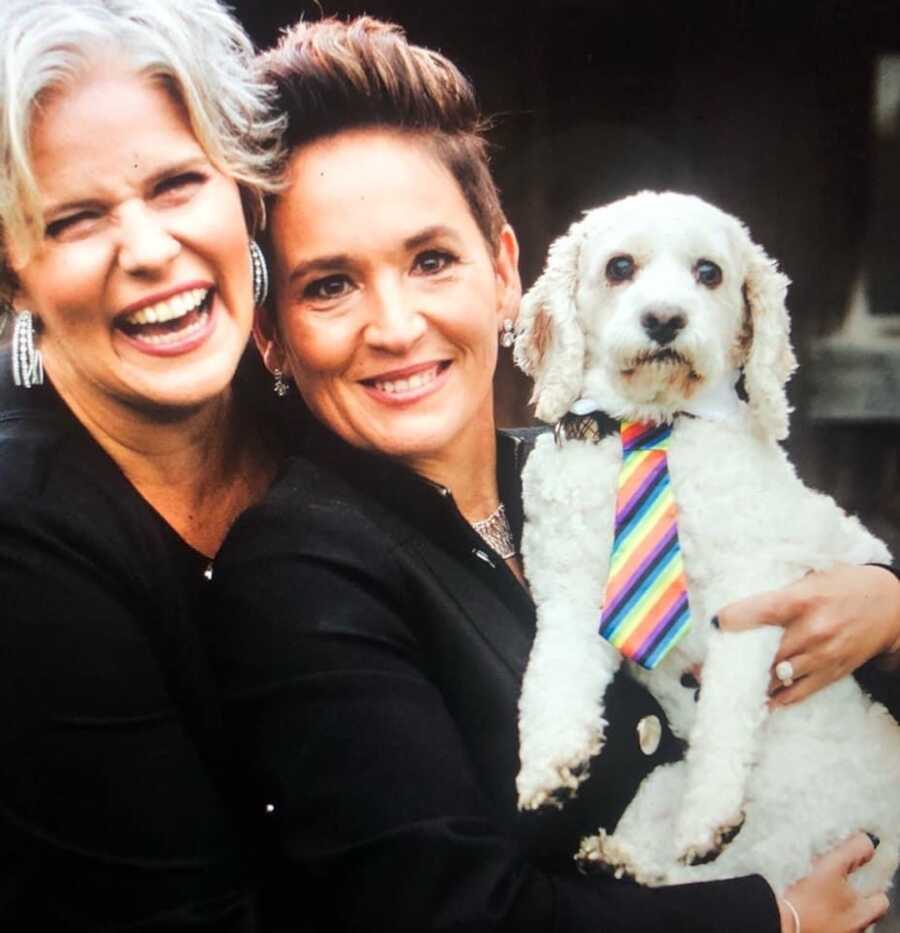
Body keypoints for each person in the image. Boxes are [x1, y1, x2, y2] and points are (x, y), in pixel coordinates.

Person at [208, 15, 900, 933]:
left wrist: (885, 607)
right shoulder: (300, 569)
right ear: (273, 336)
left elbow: (780, 590)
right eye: (329, 284)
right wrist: (773, 919)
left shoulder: (591, 468)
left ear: (502, 273)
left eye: (431, 260)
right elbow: (447, 911)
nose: (397, 324)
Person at [0, 0, 285, 926]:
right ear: (14, 277)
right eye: (75, 219)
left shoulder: (324, 424)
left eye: (175, 184)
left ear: (242, 189)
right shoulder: (21, 541)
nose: (150, 251)